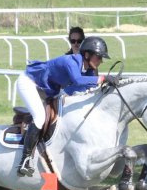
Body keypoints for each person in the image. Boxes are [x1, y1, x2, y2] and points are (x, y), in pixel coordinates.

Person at [15, 36, 110, 176]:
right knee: (40, 117)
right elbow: (78, 81)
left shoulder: (87, 69)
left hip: (46, 89)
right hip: (29, 83)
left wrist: (104, 85)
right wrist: (103, 78)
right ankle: (26, 159)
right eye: (99, 57)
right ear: (87, 54)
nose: (101, 61)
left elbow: (82, 90)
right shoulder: (70, 61)